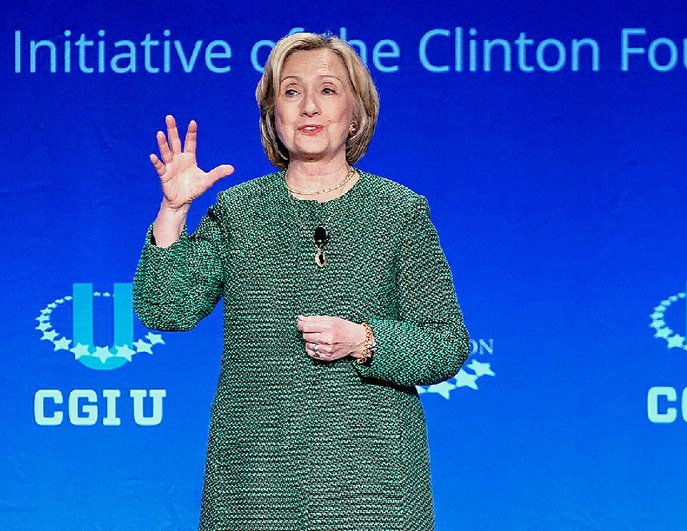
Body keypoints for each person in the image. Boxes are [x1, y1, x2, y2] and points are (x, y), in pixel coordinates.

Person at [133, 32, 469, 531]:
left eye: (328, 90)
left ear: (356, 113)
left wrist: (366, 340)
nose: (309, 105)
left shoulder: (399, 212)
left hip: (373, 488)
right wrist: (174, 210)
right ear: (273, 115)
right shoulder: (240, 211)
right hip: (254, 486)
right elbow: (165, 309)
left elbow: (447, 343)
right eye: (291, 92)